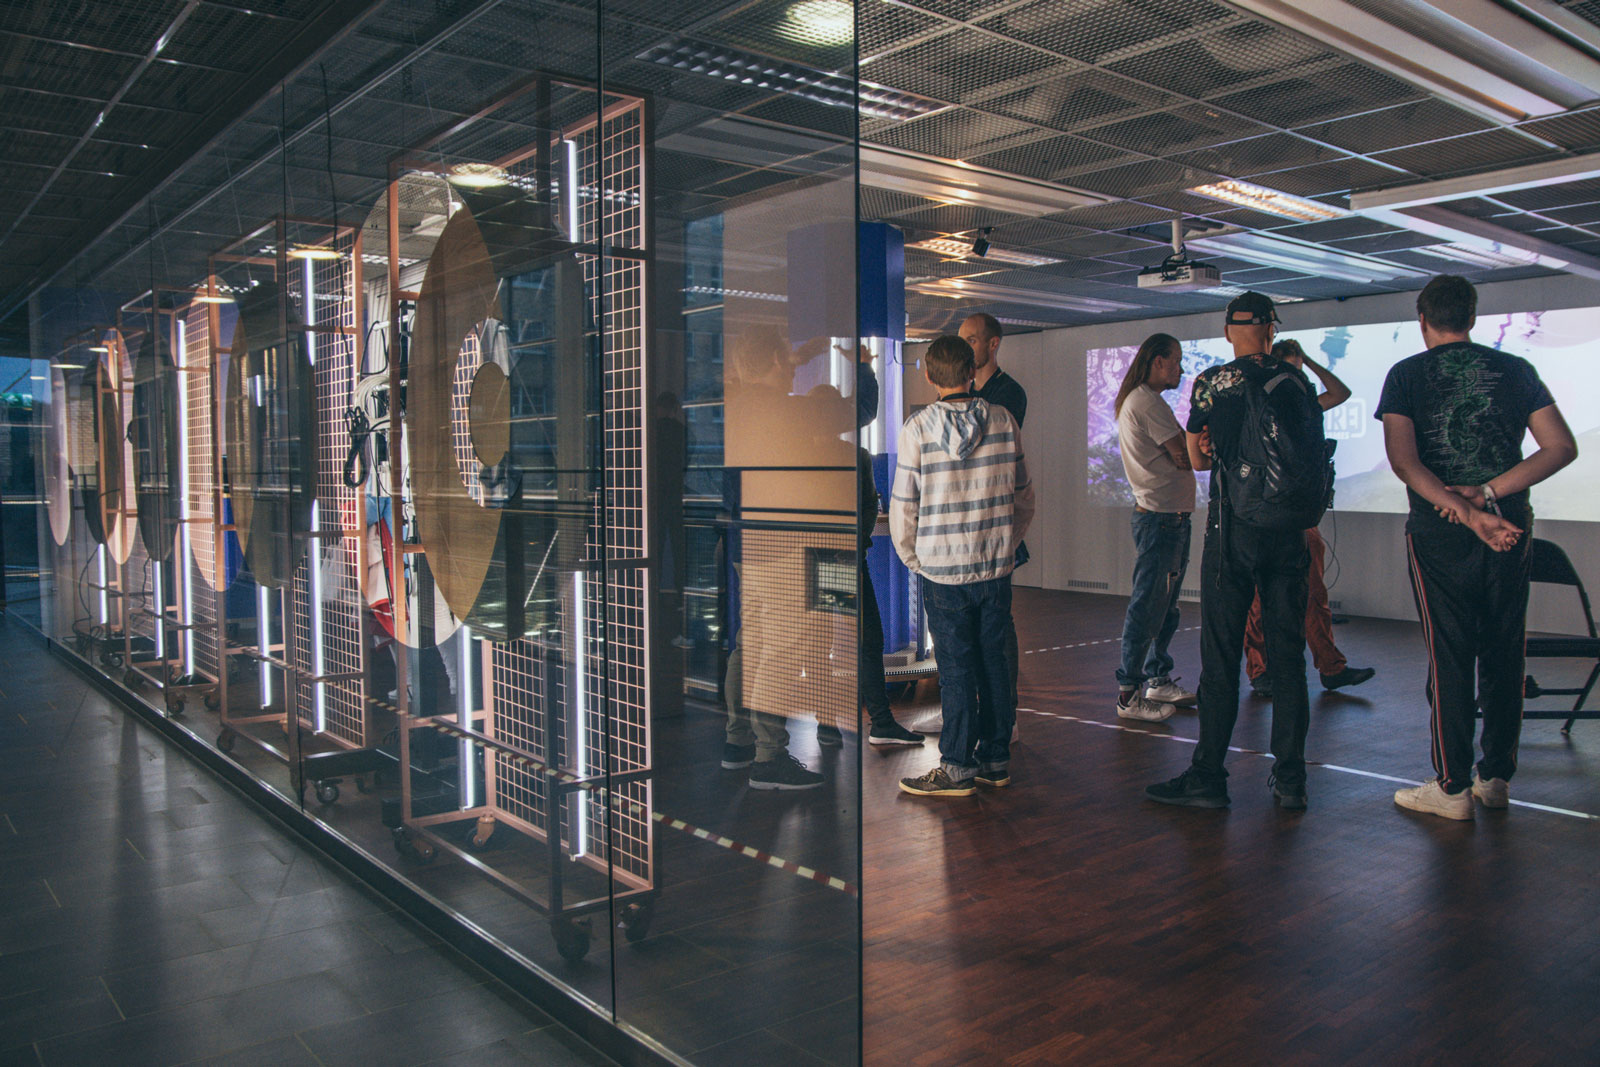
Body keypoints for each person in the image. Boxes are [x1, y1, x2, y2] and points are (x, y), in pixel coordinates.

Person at [1379, 275, 1576, 821]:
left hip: (1441, 529)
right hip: (1509, 521)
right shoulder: (1515, 370)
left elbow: (1404, 462)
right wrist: (1488, 497)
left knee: (1450, 654)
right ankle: (1494, 779)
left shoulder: (1405, 375)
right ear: (1472, 315)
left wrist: (1464, 512)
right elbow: (1560, 447)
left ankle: (1451, 788)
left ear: (1423, 319)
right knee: (1504, 649)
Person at [1146, 292, 1319, 812]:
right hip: (1288, 533)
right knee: (1288, 658)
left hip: (1233, 532)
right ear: (1271, 330)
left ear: (1229, 332)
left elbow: (1198, 460)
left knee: (1220, 658)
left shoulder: (1214, 383)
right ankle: (1290, 780)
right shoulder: (1297, 381)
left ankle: (1208, 776)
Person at [892, 335, 1034, 796]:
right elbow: (1024, 498)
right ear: (973, 371)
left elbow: (903, 507)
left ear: (931, 377)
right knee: (994, 662)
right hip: (994, 568)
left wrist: (915, 557)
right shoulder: (1004, 421)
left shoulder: (918, 428)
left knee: (955, 668)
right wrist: (1004, 545)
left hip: (941, 570)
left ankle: (955, 765)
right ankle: (995, 759)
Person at [1243, 338, 1375, 698]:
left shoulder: (1307, 408)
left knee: (1314, 594)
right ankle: (1260, 670)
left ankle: (1332, 668)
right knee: (1259, 599)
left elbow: (1341, 392)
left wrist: (1309, 362)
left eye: (1298, 372)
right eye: (1288, 370)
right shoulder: (1260, 409)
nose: (1295, 378)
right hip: (1266, 514)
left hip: (1302, 514)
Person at [1111, 332, 1198, 722]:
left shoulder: (1148, 401)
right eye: (1176, 361)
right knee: (1148, 607)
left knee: (1165, 608)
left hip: (1169, 518)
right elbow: (1187, 457)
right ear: (1157, 361)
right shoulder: (1147, 402)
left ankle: (1157, 678)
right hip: (1161, 520)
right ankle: (1129, 694)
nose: (1180, 369)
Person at [959, 312, 1027, 736]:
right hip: (968, 523)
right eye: (961, 340)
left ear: (993, 344)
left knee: (999, 626)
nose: (966, 347)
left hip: (995, 519)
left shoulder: (1008, 395)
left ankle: (1006, 715)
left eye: (971, 339)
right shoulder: (966, 394)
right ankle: (978, 714)